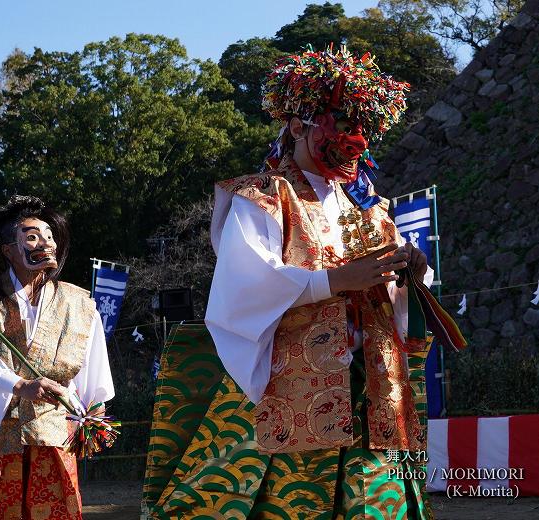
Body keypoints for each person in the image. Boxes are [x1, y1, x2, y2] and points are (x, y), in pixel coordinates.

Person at [145, 46, 436, 519]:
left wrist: (410, 276)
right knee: (294, 502)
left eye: (361, 126)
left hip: (373, 385)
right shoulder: (263, 196)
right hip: (295, 385)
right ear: (298, 125)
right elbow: (246, 284)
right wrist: (336, 280)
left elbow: (393, 298)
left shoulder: (372, 208)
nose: (352, 138)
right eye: (340, 122)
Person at [0, 195, 114, 520]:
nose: (45, 243)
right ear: (9, 250)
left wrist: (95, 408)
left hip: (52, 428)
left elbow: (93, 363)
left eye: (50, 236)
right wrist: (19, 384)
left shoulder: (79, 304)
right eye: (32, 237)